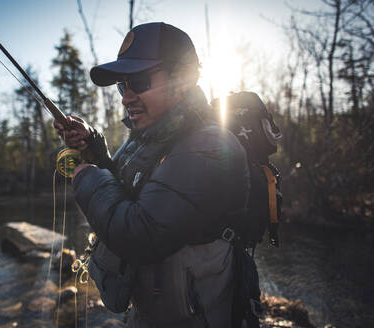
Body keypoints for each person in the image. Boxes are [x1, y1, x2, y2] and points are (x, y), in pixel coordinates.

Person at [54, 22, 249, 327]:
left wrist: (85, 178)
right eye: (123, 85)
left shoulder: (211, 146)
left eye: (140, 81)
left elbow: (141, 234)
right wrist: (91, 145)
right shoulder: (147, 137)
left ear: (182, 80)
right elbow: (122, 186)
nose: (126, 97)